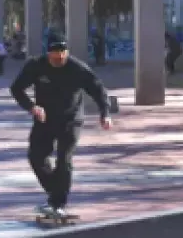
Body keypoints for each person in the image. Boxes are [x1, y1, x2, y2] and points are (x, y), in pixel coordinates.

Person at [10, 33, 113, 217]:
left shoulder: (77, 68)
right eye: (54, 54)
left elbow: (98, 89)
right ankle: (55, 191)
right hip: (44, 119)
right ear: (47, 53)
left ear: (67, 52)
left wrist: (105, 113)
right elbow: (16, 89)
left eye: (62, 53)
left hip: (71, 119)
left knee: (64, 159)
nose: (59, 57)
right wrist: (32, 107)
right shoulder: (36, 66)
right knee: (36, 157)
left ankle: (58, 202)